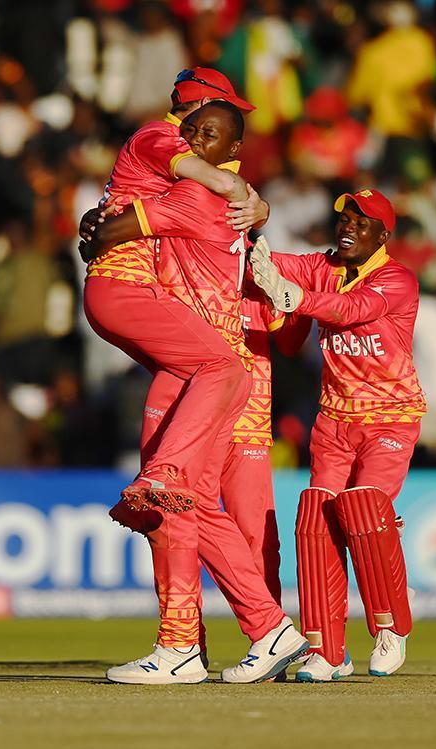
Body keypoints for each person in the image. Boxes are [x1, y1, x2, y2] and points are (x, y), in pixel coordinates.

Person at [84, 102, 308, 684]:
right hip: (216, 366)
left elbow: (103, 234)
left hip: (196, 369)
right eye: (188, 130)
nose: (190, 140)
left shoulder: (191, 195)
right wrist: (258, 202)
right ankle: (270, 629)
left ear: (231, 151)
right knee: (199, 507)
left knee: (169, 500)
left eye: (206, 133)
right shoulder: (230, 204)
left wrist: (99, 220)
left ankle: (180, 645)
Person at [248, 188, 425, 680]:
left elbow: (351, 309)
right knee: (316, 517)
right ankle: (326, 649)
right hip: (333, 419)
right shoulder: (324, 266)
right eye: (345, 219)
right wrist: (249, 239)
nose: (348, 228)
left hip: (390, 416)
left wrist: (295, 297)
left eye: (362, 223)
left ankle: (391, 624)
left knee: (363, 506)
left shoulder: (397, 279)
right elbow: (275, 263)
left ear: (382, 236)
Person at [80, 67, 268, 514]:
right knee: (223, 368)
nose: (203, 137)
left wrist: (260, 208)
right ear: (200, 105)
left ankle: (162, 495)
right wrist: (252, 202)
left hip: (141, 285)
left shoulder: (178, 148)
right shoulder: (161, 136)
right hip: (127, 282)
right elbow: (221, 184)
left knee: (197, 378)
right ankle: (161, 476)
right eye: (218, 111)